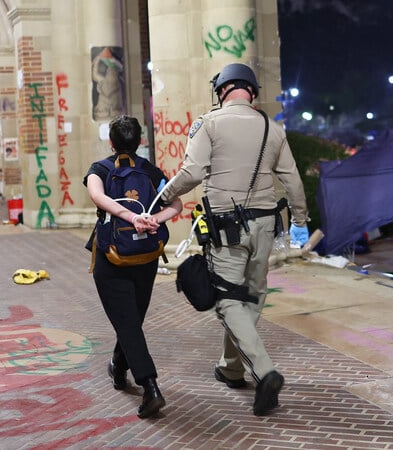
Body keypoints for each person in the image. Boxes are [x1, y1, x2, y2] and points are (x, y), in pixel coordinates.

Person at [159, 63, 309, 417]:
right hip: (267, 227)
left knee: (227, 301)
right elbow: (294, 182)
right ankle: (231, 367)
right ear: (252, 91)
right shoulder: (273, 128)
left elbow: (192, 172)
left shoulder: (207, 123)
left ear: (221, 90)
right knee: (251, 295)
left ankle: (265, 371)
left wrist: (165, 195)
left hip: (227, 230)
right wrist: (301, 220)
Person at [84, 115, 183, 418]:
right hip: (146, 256)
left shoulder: (99, 169)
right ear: (140, 141)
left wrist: (128, 217)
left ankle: (150, 385)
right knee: (130, 321)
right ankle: (117, 367)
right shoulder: (151, 171)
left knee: (127, 323)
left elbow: (97, 196)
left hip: (110, 256)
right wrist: (153, 220)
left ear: (111, 142)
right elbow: (176, 204)